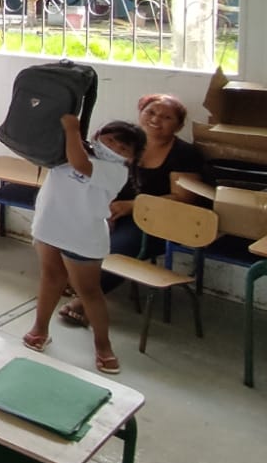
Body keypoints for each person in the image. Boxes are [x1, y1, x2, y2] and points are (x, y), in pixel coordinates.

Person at [62, 93, 207, 324]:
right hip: (119, 212)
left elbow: (184, 198)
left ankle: (85, 301)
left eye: (167, 117)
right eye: (151, 112)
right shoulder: (126, 144)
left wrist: (133, 206)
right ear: (140, 113)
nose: (156, 119)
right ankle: (75, 282)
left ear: (179, 126)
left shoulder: (184, 154)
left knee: (115, 249)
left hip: (161, 222)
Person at [23, 117, 145, 375]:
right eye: (110, 140)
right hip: (49, 224)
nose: (114, 148)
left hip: (83, 235)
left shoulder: (116, 171)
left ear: (132, 158)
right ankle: (40, 329)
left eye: (123, 148)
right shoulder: (67, 149)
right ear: (98, 135)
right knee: (51, 278)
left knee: (89, 291)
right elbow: (39, 148)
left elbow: (80, 164)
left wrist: (72, 129)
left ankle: (103, 345)